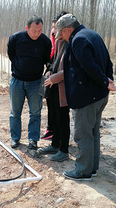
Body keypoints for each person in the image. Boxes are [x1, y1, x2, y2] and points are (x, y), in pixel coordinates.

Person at [55, 14, 116, 180]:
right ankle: (92, 167)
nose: (63, 37)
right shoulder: (92, 34)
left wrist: (105, 81)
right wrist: (108, 80)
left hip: (87, 98)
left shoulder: (78, 40)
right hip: (99, 96)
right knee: (93, 132)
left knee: (83, 134)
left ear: (68, 29)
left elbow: (90, 67)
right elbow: (108, 61)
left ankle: (83, 171)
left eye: (63, 34)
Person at [7, 15, 51, 150]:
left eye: (40, 30)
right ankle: (15, 138)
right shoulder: (16, 39)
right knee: (15, 112)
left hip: (36, 82)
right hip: (17, 81)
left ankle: (33, 140)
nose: (37, 34)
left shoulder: (45, 41)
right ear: (27, 28)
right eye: (34, 31)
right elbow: (11, 55)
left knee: (35, 113)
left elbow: (46, 60)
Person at [39, 13, 70, 162]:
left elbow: (70, 69)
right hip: (54, 85)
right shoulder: (58, 41)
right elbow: (54, 61)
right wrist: (50, 70)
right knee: (55, 117)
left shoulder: (71, 43)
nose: (54, 32)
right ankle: (55, 144)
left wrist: (54, 77)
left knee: (63, 118)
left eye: (56, 28)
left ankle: (63, 150)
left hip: (64, 87)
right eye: (53, 28)